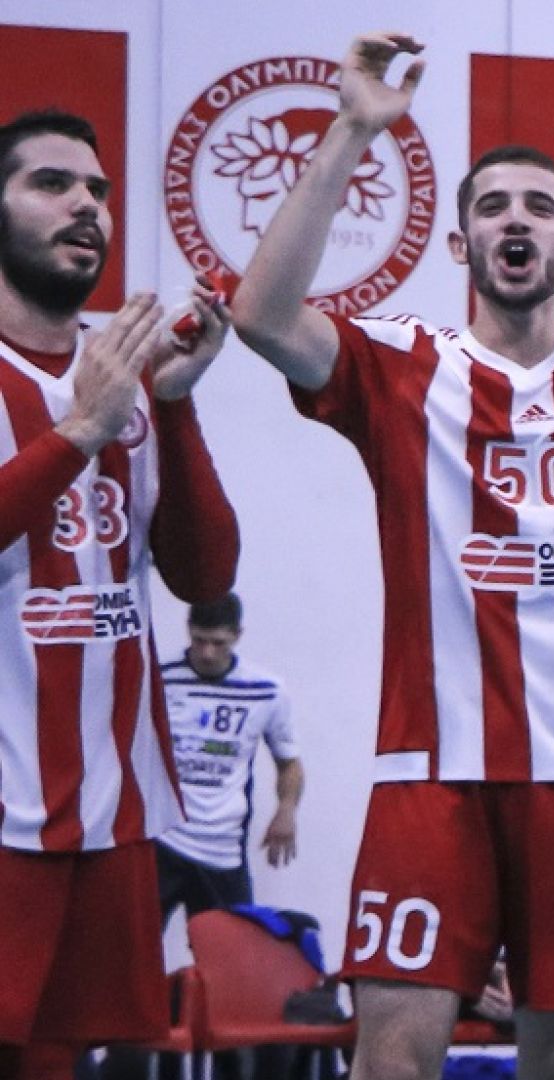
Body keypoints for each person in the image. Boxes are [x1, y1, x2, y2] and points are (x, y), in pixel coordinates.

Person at [231, 32, 554, 1080]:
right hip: (433, 775)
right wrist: (352, 129)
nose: (514, 221)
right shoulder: (400, 368)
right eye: (491, 207)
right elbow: (261, 316)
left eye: (537, 207)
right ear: (459, 245)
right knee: (392, 1060)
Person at [0, 109, 238, 1080]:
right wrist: (76, 436)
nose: (86, 205)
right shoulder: (91, 399)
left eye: (96, 189)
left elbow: (205, 577)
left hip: (108, 806)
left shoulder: (123, 377)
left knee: (62, 1064)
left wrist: (170, 406)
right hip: (3, 807)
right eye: (52, 184)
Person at [156, 592, 305, 923]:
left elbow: (289, 763)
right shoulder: (159, 678)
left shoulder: (265, 690)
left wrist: (286, 810)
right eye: (200, 640)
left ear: (237, 635)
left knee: (229, 951)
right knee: (134, 946)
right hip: (162, 841)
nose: (207, 653)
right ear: (188, 629)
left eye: (218, 643)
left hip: (222, 848)